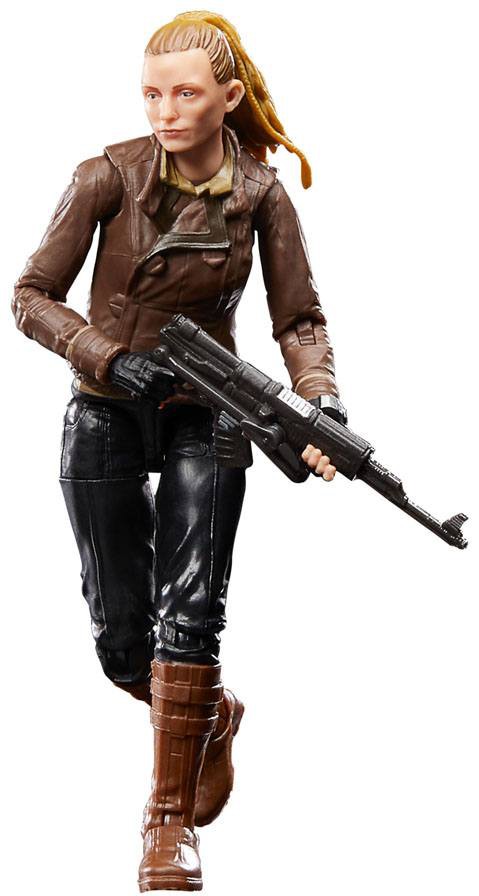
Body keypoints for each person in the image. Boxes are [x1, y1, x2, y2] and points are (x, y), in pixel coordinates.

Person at [12, 11, 347, 891]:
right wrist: (104, 356)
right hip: (107, 405)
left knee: (190, 616)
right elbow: (32, 294)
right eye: (151, 93)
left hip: (209, 409)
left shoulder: (260, 194)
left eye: (186, 93)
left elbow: (299, 317)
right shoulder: (105, 175)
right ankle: (210, 716)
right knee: (124, 641)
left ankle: (166, 824)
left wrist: (319, 404)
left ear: (227, 98)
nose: (165, 111)